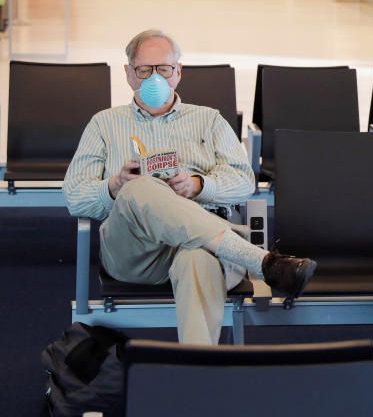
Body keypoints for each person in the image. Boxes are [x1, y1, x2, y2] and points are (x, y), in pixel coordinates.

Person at [64, 29, 317, 345]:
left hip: (201, 244)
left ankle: (199, 374)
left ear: (178, 72)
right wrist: (115, 186)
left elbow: (244, 182)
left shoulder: (208, 120)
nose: (154, 77)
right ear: (129, 74)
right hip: (135, 250)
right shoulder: (104, 124)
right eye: (144, 70)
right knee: (138, 188)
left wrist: (200, 186)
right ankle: (263, 262)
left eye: (163, 69)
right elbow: (74, 197)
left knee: (198, 258)